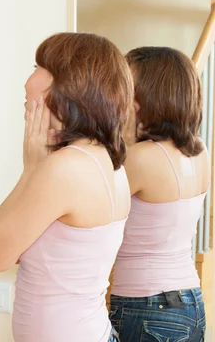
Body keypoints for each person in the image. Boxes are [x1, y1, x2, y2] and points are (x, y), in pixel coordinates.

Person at [0, 32, 134, 342]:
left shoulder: (65, 169)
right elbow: (20, 250)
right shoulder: (104, 159)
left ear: (65, 85)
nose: (26, 82)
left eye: (37, 66)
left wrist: (30, 171)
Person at [109, 47, 209, 342]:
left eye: (127, 88)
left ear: (148, 97)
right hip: (189, 301)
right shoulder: (199, 151)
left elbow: (94, 208)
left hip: (147, 305)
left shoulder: (140, 158)